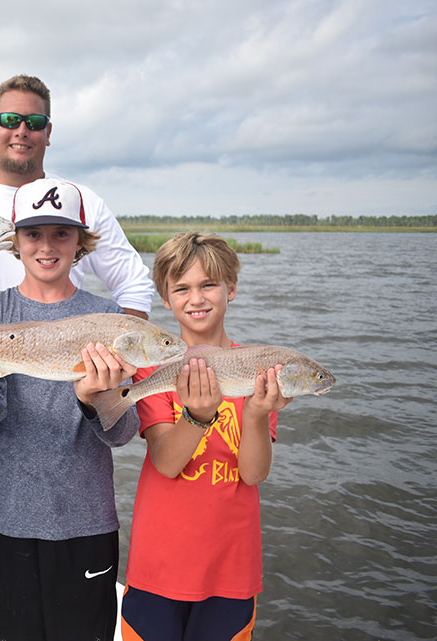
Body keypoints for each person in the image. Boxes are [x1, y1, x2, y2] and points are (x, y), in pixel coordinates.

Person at [0, 73, 154, 640]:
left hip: (86, 518)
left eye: (61, 235)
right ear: (14, 241)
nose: (46, 247)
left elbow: (121, 431)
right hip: (10, 509)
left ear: (82, 240)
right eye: (32, 236)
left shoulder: (104, 313)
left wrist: (102, 388)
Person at [119, 232, 291, 641]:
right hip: (157, 567)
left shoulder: (258, 369)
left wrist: (255, 413)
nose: (196, 298)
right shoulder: (151, 372)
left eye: (208, 285)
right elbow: (166, 461)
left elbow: (253, 474)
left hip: (231, 570)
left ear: (231, 287)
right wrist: (197, 416)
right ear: (166, 298)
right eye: (182, 289)